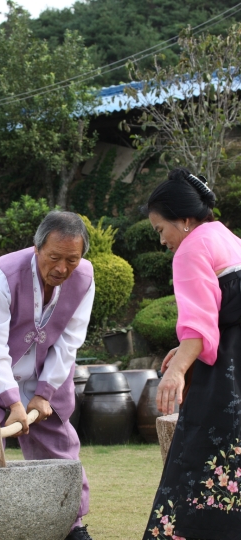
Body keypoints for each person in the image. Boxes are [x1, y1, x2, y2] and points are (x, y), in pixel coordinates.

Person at [0, 210, 95, 540]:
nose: (62, 268)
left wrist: (44, 394)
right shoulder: (1, 274)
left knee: (60, 445)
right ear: (37, 248)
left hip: (43, 371)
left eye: (71, 259)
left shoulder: (84, 277)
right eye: (54, 257)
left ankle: (71, 526)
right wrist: (12, 402)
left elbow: (70, 341)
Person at [141, 167, 241, 540]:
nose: (162, 240)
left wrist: (176, 371)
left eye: (160, 230)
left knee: (201, 456)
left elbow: (200, 325)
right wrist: (183, 350)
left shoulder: (191, 249)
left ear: (184, 220)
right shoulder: (228, 238)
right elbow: (220, 314)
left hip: (228, 378)